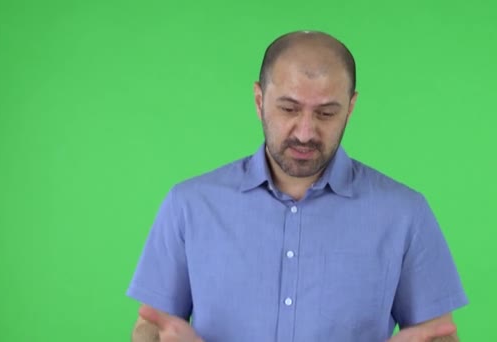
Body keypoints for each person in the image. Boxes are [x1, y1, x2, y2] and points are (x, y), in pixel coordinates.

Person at [127, 30, 468, 342]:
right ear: (259, 100)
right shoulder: (189, 205)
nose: (305, 132)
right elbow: (150, 327)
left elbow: (437, 335)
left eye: (325, 113)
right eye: (289, 108)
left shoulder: (405, 213)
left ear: (350, 108)